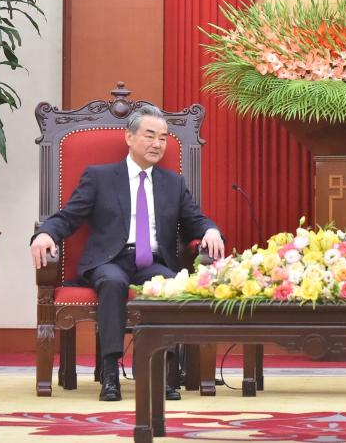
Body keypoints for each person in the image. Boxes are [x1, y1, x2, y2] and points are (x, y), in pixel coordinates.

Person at [30, 105, 224, 402]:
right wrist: (44, 233)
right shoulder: (100, 177)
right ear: (129, 137)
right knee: (112, 282)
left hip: (152, 262)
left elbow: (196, 220)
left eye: (163, 138)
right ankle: (110, 374)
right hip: (110, 260)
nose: (158, 144)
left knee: (169, 285)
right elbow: (68, 217)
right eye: (150, 135)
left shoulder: (173, 183)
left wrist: (210, 231)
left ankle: (163, 372)